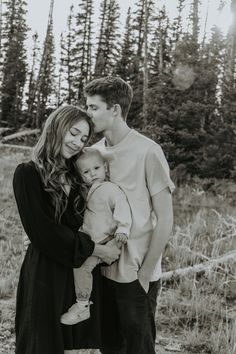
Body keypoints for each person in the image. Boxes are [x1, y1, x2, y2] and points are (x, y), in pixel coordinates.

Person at [13, 105, 121, 354]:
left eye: (83, 138)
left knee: (76, 346)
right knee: (41, 344)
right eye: (73, 132)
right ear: (57, 127)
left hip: (79, 273)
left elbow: (95, 216)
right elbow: (44, 233)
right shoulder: (27, 174)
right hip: (45, 274)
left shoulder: (77, 176)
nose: (77, 142)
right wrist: (96, 250)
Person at [84, 76, 175, 354]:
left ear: (115, 109)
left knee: (138, 348)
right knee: (109, 346)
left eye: (93, 107)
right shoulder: (92, 154)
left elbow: (165, 218)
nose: (87, 114)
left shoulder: (148, 151)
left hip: (135, 273)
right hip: (101, 269)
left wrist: (146, 272)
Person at [61, 147, 132, 325]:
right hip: (89, 237)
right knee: (76, 264)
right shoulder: (88, 190)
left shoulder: (110, 189)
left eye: (96, 169)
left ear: (105, 168)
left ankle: (83, 306)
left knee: (81, 267)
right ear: (80, 175)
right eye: (86, 171)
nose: (92, 174)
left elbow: (122, 207)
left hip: (104, 238)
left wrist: (123, 229)